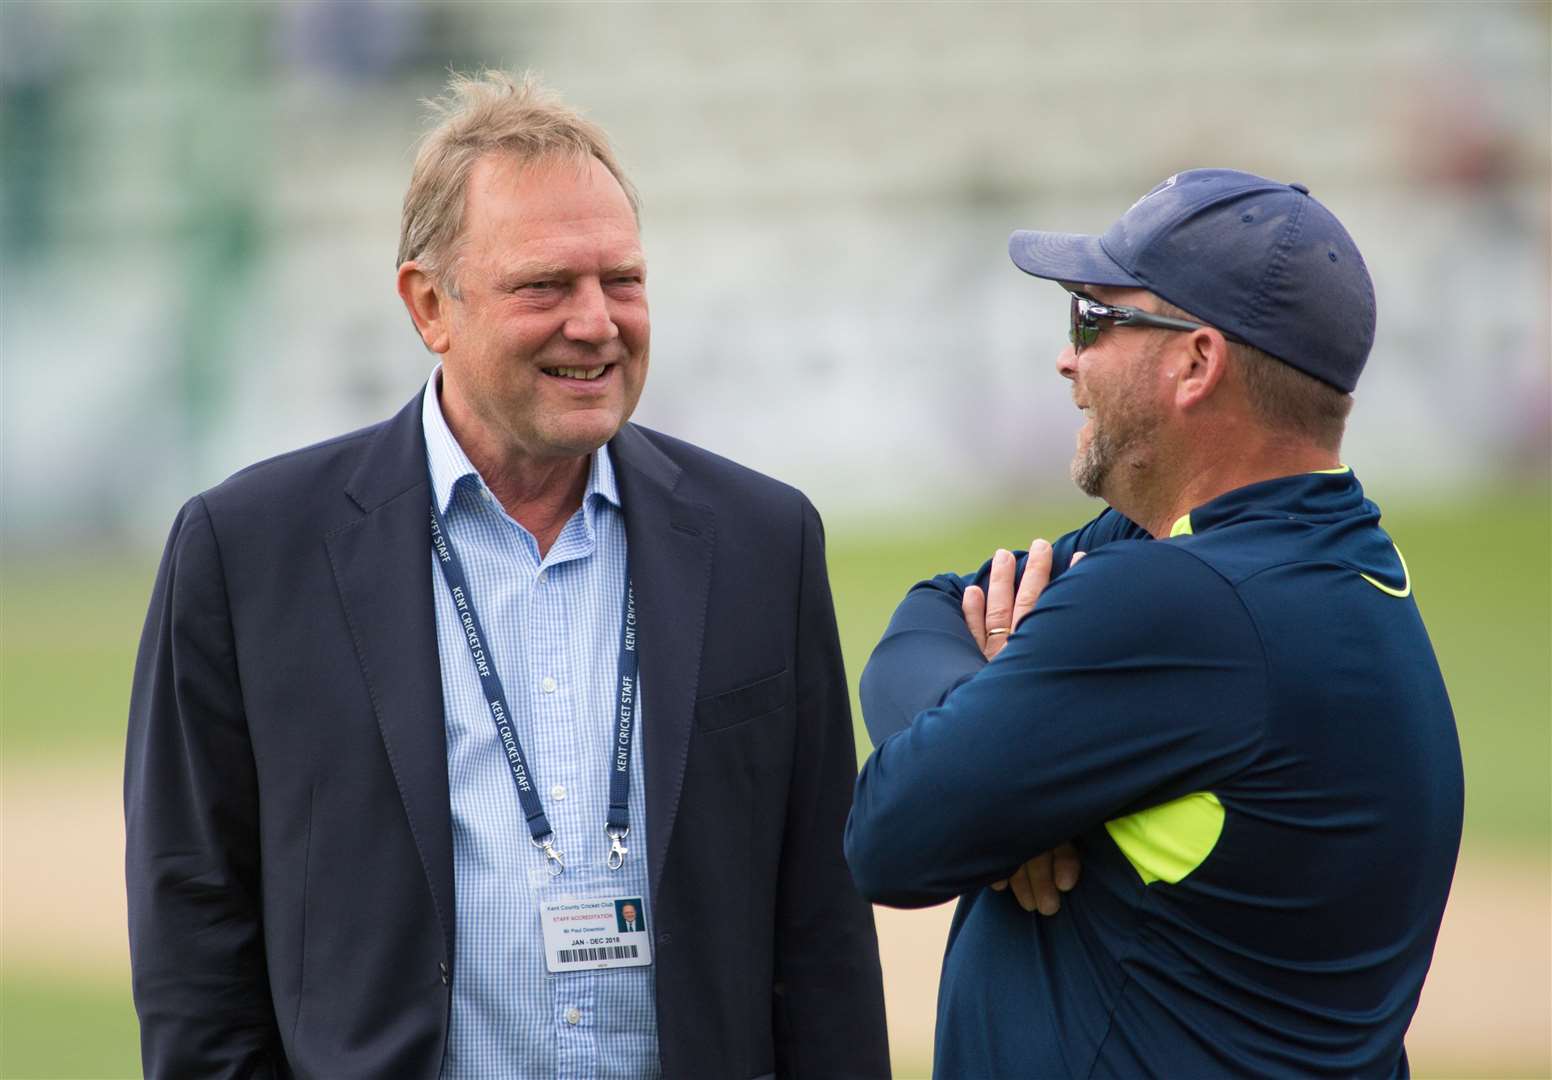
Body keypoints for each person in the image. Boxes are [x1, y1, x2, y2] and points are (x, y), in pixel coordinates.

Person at [125, 69, 889, 1079]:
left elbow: (821, 935)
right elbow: (193, 935)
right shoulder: (248, 552)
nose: (596, 321)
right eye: (545, 286)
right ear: (428, 303)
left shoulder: (762, 542)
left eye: (621, 280)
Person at [845, 169, 1463, 1077]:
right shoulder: (1318, 555)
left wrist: (990, 776)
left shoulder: (1179, 603)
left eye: (1094, 320)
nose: (1068, 359)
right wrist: (998, 757)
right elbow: (935, 606)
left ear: (1197, 363)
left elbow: (890, 836)